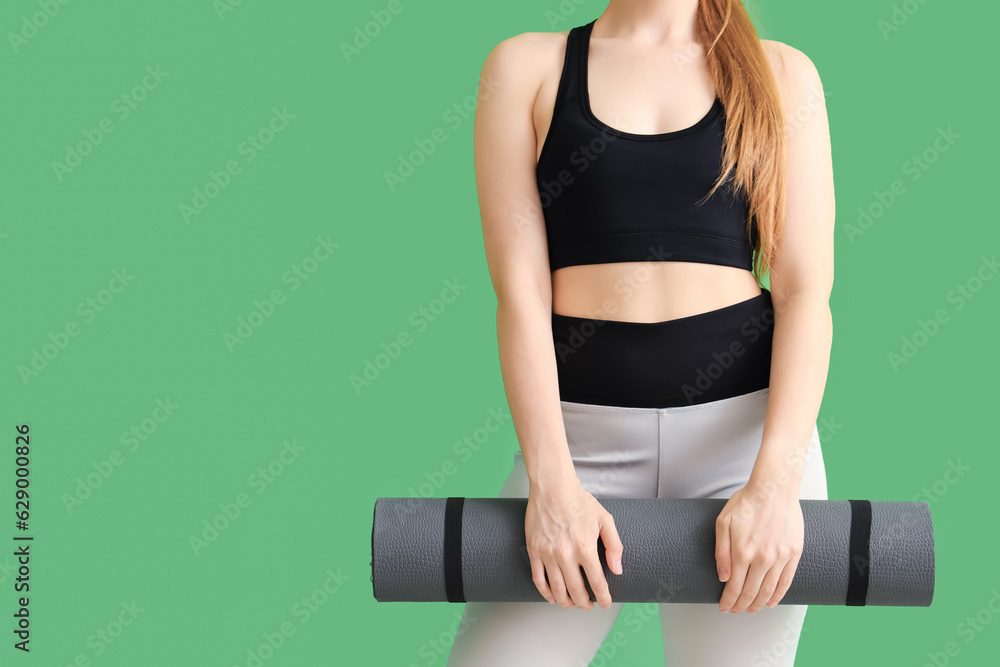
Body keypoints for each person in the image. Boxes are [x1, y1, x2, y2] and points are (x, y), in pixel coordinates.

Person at [448, 0, 835, 664]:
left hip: (743, 450)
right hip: (576, 450)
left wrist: (774, 486)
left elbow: (806, 293)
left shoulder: (782, 74)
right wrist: (552, 484)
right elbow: (521, 295)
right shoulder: (525, 68)